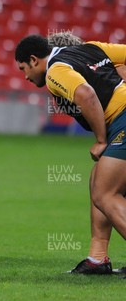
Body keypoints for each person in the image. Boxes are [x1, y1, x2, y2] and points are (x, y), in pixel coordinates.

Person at [14, 35, 126, 273]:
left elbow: (86, 94)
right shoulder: (93, 48)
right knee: (98, 181)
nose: (25, 76)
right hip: (120, 120)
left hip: (122, 120)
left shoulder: (56, 71)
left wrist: (100, 140)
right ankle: (97, 260)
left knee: (105, 192)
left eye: (23, 68)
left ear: (34, 60)